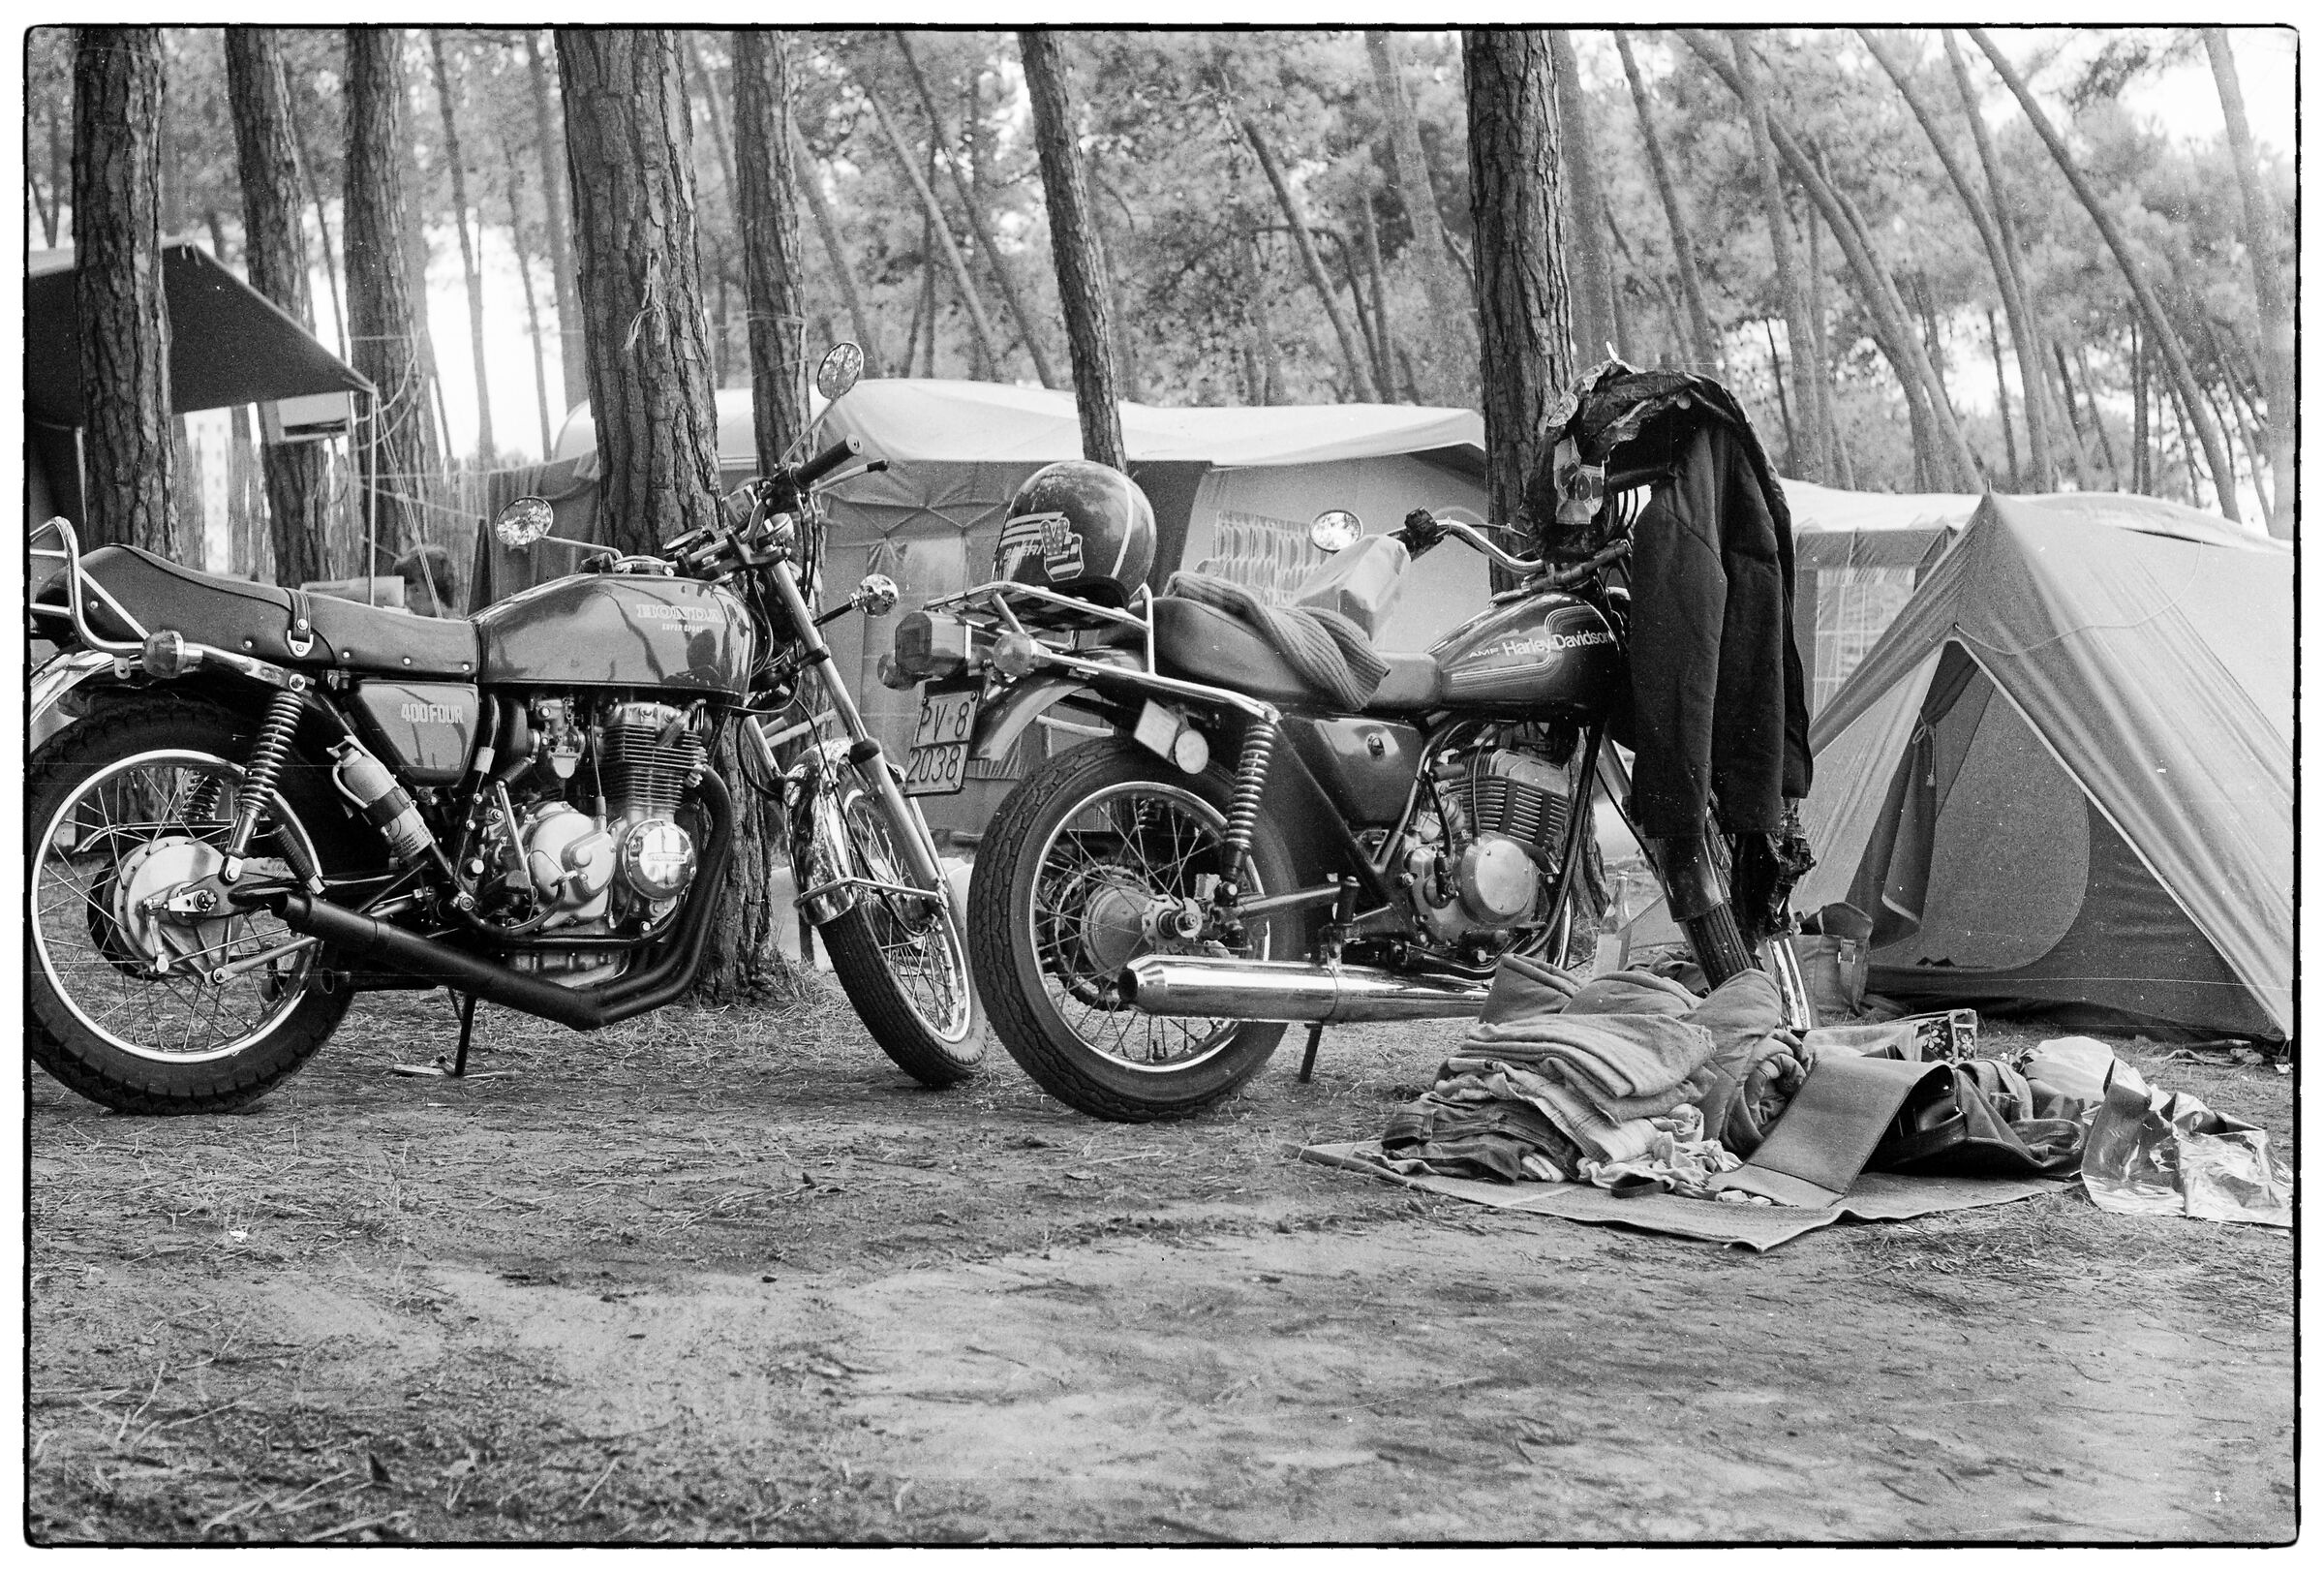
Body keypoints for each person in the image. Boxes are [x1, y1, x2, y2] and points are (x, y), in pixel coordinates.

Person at [393, 543, 460, 617]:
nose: (407, 599)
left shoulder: (454, 626)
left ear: (437, 590)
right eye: (404, 590)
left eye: (416, 590)